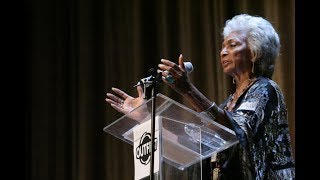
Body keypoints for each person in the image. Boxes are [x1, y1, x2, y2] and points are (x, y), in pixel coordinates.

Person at [105, 14, 295, 179]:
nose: (223, 52)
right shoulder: (229, 103)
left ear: (255, 52)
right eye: (222, 46)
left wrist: (188, 90)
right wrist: (145, 117)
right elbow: (197, 144)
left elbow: (236, 132)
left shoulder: (266, 90)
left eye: (233, 45)